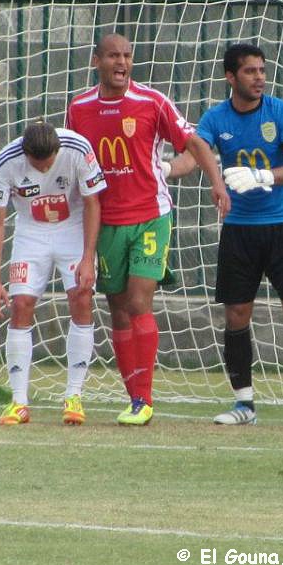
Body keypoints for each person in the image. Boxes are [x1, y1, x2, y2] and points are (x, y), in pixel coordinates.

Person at [66, 33, 230, 426]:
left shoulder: (152, 102)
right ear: (96, 61)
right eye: (113, 56)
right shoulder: (79, 108)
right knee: (118, 309)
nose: (121, 63)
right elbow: (74, 162)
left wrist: (216, 182)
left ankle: (144, 399)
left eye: (127, 55)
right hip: (106, 221)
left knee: (139, 302)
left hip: (150, 215)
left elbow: (195, 142)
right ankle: (133, 396)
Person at [168, 42, 283, 428]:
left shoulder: (280, 112)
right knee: (236, 314)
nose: (259, 77)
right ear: (230, 77)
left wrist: (264, 176)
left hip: (282, 226)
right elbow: (193, 155)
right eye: (250, 71)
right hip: (239, 230)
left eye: (262, 70)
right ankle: (244, 405)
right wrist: (164, 169)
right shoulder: (216, 118)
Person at [0, 120, 106, 426]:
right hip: (31, 233)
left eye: (49, 162)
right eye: (36, 164)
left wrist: (88, 257)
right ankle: (19, 403)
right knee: (21, 305)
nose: (43, 169)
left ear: (57, 149)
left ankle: (74, 397)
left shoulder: (78, 147)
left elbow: (93, 202)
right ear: (25, 154)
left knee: (81, 298)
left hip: (72, 229)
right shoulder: (7, 161)